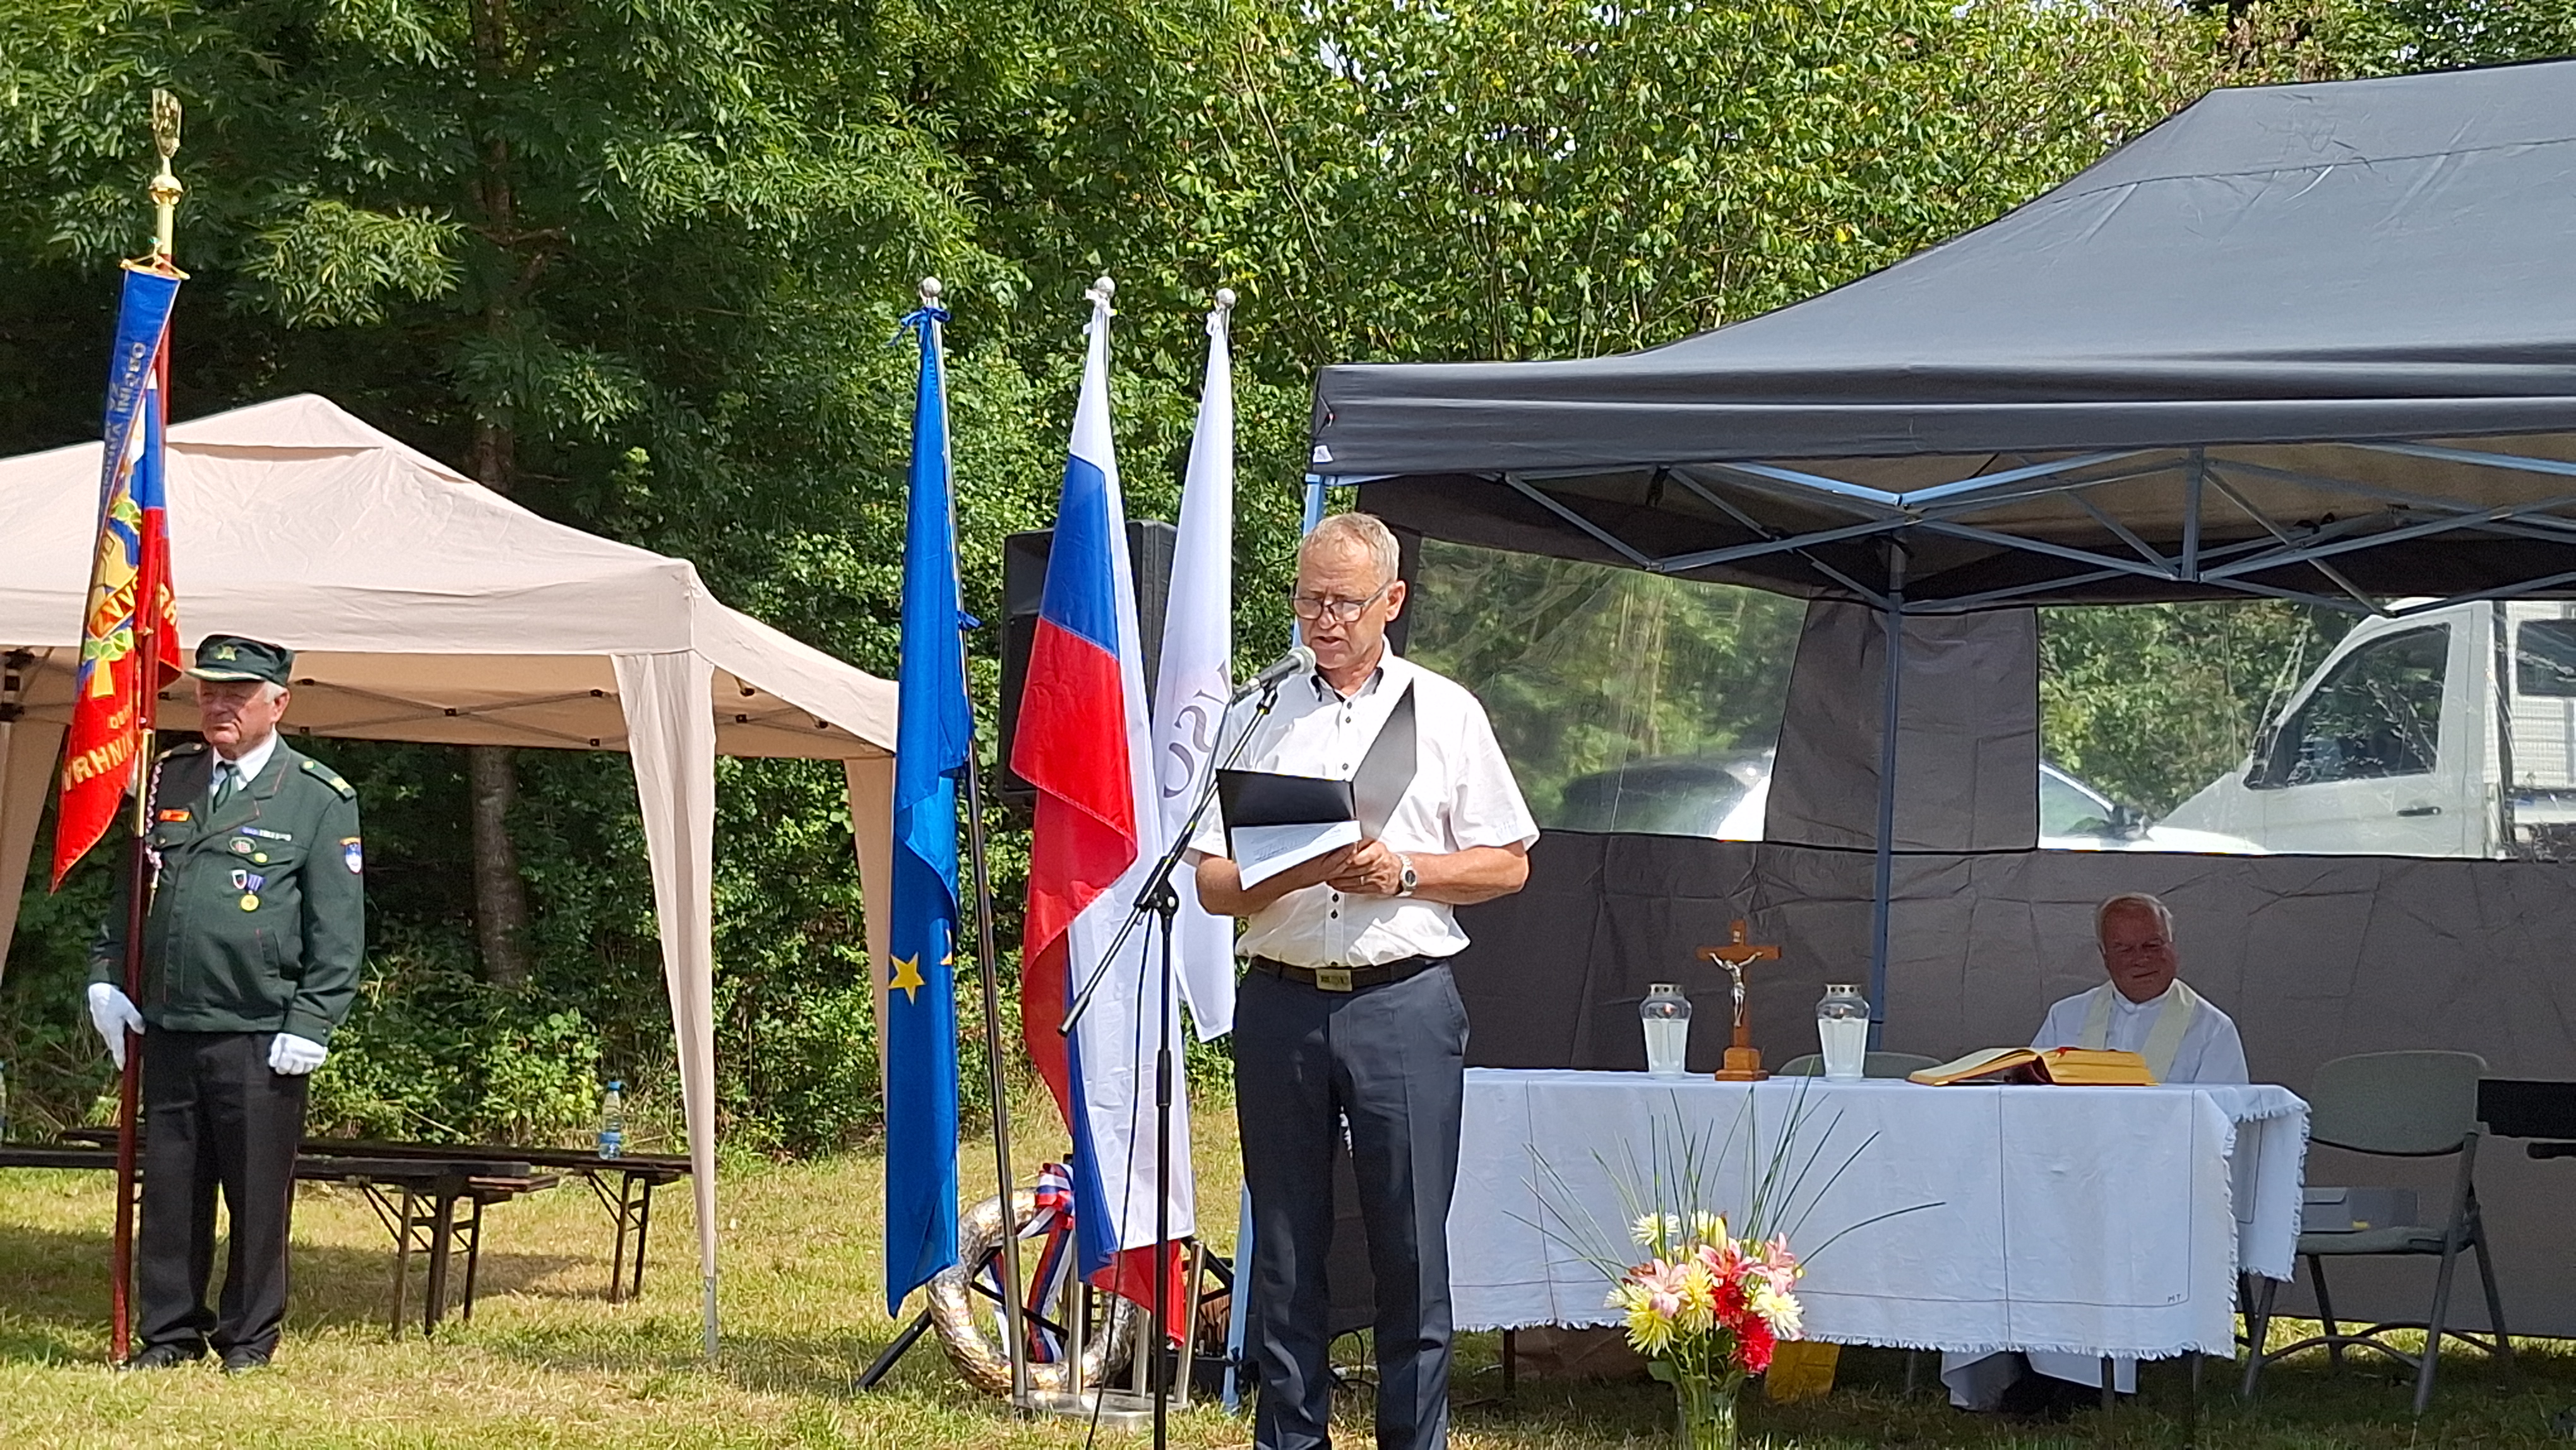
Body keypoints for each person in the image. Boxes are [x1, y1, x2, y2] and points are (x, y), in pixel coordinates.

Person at [1192, 512, 1537, 1450]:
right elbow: (1214, 884)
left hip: (1403, 1001)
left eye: (1345, 601)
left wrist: (1407, 871)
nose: (1325, 620)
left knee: (1410, 1245)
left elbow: (1508, 864)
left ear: (1393, 600)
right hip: (1283, 999)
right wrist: (1299, 868)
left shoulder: (1446, 711)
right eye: (1309, 599)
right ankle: (1290, 1439)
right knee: (1286, 1244)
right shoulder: (1256, 711)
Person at [85, 635, 364, 1374]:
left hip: (260, 1031)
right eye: (209, 692)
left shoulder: (316, 797)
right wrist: (108, 974)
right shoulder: (169, 777)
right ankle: (170, 1332)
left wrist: (313, 1018)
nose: (218, 705)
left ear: (279, 703)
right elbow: (132, 890)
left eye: (237, 695)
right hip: (171, 1021)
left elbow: (339, 927)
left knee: (256, 1192)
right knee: (171, 1190)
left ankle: (248, 1336)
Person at [1943, 890, 2248, 1415]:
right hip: (2063, 1177)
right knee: (1997, 1211)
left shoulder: (2210, 1030)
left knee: (2094, 1223)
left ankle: (2083, 1383)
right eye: (2124, 949)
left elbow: (2223, 1128)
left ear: (2173, 947)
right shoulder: (2069, 1015)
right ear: (2104, 956)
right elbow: (2029, 1099)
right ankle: (2013, 1367)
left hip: (2159, 1192)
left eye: (2152, 945)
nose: (2141, 959)